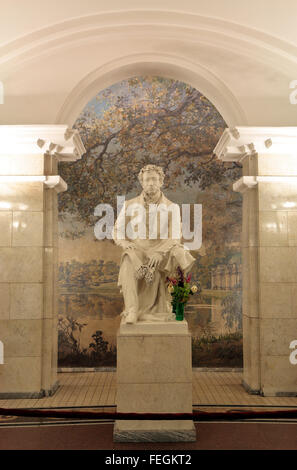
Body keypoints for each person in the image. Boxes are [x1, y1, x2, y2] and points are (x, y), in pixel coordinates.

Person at [112, 164, 196, 324]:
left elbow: (175, 236)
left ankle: (172, 304)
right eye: (147, 180)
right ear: (142, 183)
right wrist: (124, 243)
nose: (151, 183)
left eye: (154, 179)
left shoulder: (172, 207)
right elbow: (117, 230)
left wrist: (161, 252)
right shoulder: (129, 205)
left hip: (163, 251)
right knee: (129, 258)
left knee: (180, 253)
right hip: (139, 250)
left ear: (161, 182)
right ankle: (132, 310)